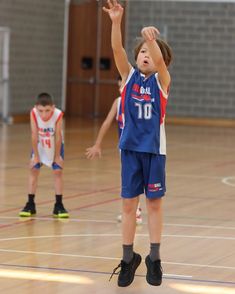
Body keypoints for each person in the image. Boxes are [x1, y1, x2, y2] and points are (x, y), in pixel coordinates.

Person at [103, 0, 172, 287]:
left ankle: (154, 258)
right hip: (130, 150)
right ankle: (128, 257)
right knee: (129, 206)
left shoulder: (162, 83)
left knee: (154, 205)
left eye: (150, 53)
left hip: (154, 151)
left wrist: (151, 40)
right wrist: (116, 22)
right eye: (142, 52)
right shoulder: (129, 77)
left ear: (160, 62)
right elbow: (117, 50)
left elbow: (157, 57)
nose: (145, 55)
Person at [85, 77, 143, 225]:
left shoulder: (139, 102)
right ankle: (134, 210)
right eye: (119, 86)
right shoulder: (118, 102)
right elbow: (106, 123)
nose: (120, 89)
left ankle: (136, 211)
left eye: (123, 85)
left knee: (135, 179)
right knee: (129, 180)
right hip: (124, 148)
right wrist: (97, 144)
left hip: (140, 147)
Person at [19, 92, 69, 218]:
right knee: (33, 169)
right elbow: (34, 134)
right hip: (40, 144)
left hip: (55, 144)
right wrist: (36, 156)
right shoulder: (33, 113)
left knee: (57, 172)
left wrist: (57, 156)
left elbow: (58, 136)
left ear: (53, 107)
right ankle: (30, 204)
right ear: (36, 108)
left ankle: (59, 205)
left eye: (47, 110)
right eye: (41, 111)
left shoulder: (58, 114)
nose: (44, 114)